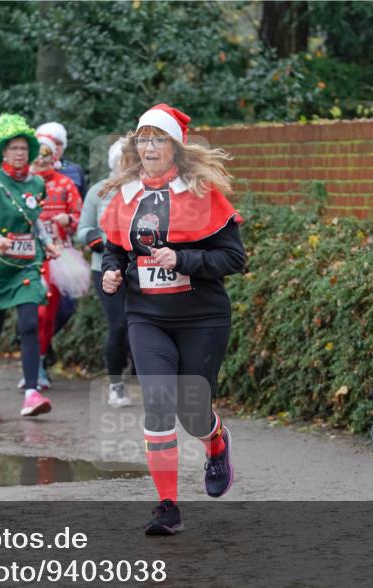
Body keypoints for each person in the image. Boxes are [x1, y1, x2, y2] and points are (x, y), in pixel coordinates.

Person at [100, 103, 246, 535]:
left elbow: (234, 258)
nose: (148, 146)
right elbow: (115, 249)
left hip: (203, 317)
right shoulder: (125, 197)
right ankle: (167, 507)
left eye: (157, 138)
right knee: (160, 405)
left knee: (193, 411)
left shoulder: (203, 195)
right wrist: (111, 271)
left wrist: (183, 258)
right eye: (142, 138)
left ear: (175, 147)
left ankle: (216, 444)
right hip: (147, 316)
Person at [0, 114, 60, 417]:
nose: (20, 153)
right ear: (3, 152)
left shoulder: (35, 183)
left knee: (30, 323)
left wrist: (46, 242)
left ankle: (31, 393)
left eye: (24, 148)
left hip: (26, 265)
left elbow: (34, 222)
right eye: (13, 148)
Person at [26, 130, 86, 390]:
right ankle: (32, 363)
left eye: (46, 156)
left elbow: (80, 216)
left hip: (58, 255)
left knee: (50, 312)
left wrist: (68, 220)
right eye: (37, 157)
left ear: (54, 158)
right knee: (31, 313)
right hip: (27, 255)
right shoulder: (23, 184)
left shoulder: (65, 184)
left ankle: (38, 363)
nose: (41, 161)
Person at [76, 138, 131, 407]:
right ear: (114, 162)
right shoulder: (99, 190)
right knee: (119, 325)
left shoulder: (146, 189)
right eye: (123, 160)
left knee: (142, 325)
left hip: (142, 269)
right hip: (105, 268)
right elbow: (82, 228)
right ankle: (116, 384)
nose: (128, 165)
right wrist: (98, 241)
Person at [35, 122, 87, 198]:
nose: (55, 147)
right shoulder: (30, 170)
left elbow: (84, 201)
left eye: (59, 143)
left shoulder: (75, 170)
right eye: (50, 143)